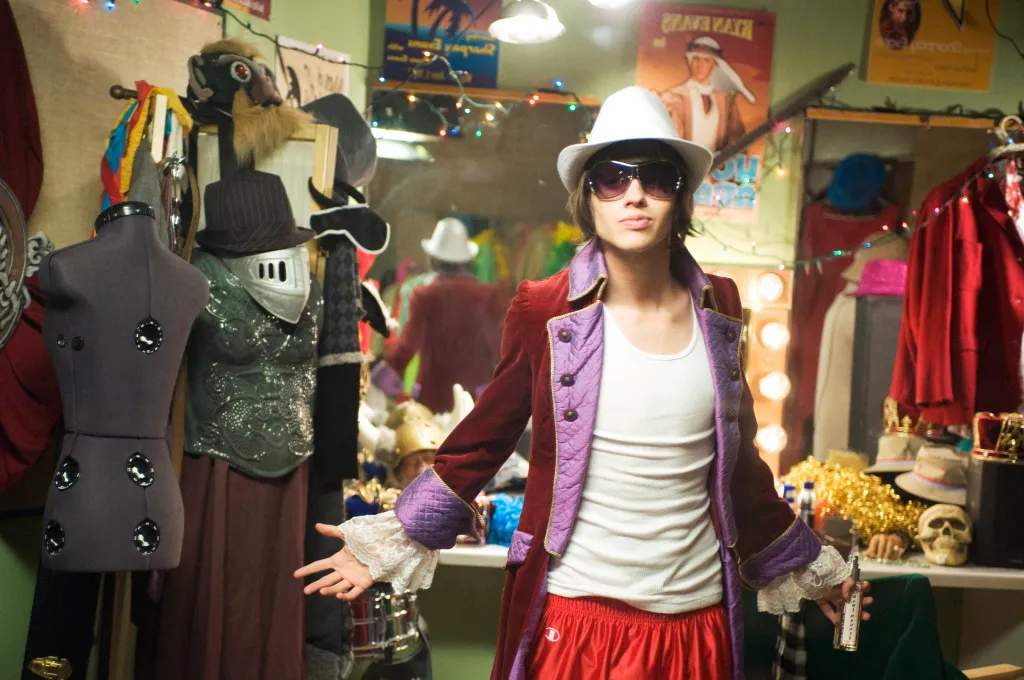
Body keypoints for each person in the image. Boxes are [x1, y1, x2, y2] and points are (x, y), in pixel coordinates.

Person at [296, 87, 871, 680]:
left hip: (698, 626)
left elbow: (740, 468)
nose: (635, 195)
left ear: (681, 195)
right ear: (587, 195)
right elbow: (483, 440)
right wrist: (396, 538)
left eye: (657, 177)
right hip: (575, 624)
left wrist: (814, 567)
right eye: (612, 179)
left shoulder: (719, 306)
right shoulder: (543, 309)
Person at [383, 217, 508, 413]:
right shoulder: (488, 296)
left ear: (434, 259)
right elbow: (500, 349)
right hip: (476, 398)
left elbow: (407, 347)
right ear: (467, 260)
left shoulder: (423, 295)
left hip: (432, 399)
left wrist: (379, 386)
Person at [658, 36, 754, 153]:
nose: (700, 65)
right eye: (696, 59)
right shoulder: (673, 97)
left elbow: (738, 137)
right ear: (690, 61)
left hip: (715, 168)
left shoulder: (725, 100)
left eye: (706, 60)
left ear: (714, 65)